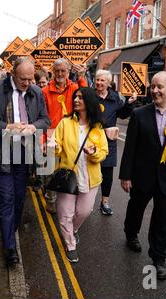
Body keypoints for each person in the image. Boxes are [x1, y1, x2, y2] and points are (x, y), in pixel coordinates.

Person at [119, 71, 166, 281]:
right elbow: (130, 149)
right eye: (152, 86)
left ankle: (159, 258)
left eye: (159, 87)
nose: (155, 90)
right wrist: (126, 175)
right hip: (142, 176)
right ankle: (131, 233)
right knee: (136, 209)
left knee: (163, 218)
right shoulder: (139, 114)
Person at [0, 57, 50, 266]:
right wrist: (7, 127)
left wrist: (33, 126)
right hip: (0, 151)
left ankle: (11, 229)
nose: (27, 83)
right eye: (23, 79)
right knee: (6, 198)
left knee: (19, 198)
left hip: (24, 153)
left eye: (30, 79)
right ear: (12, 73)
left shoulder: (36, 92)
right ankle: (9, 247)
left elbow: (45, 120)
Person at [51, 88, 108, 263]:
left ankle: (72, 229)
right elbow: (57, 143)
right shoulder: (65, 123)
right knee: (65, 215)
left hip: (90, 178)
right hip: (68, 177)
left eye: (81, 98)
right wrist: (53, 145)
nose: (76, 100)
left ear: (89, 102)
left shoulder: (97, 127)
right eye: (75, 97)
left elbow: (103, 152)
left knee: (84, 211)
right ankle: (70, 244)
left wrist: (93, 153)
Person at [42, 58, 88, 214]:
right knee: (50, 171)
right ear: (53, 71)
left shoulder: (75, 87)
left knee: (70, 169)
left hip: (71, 135)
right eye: (57, 70)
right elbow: (42, 117)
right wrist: (42, 140)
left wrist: (81, 77)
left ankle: (67, 199)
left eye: (63, 70)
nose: (60, 73)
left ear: (69, 72)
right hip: (51, 135)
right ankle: (50, 198)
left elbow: (87, 98)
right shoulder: (45, 91)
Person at [95, 70, 137, 216]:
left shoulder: (114, 98)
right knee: (89, 172)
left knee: (107, 173)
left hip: (108, 142)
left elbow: (123, 114)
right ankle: (85, 201)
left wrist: (129, 104)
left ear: (108, 83)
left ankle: (104, 202)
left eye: (102, 81)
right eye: (97, 80)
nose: (99, 83)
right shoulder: (90, 97)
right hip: (91, 140)